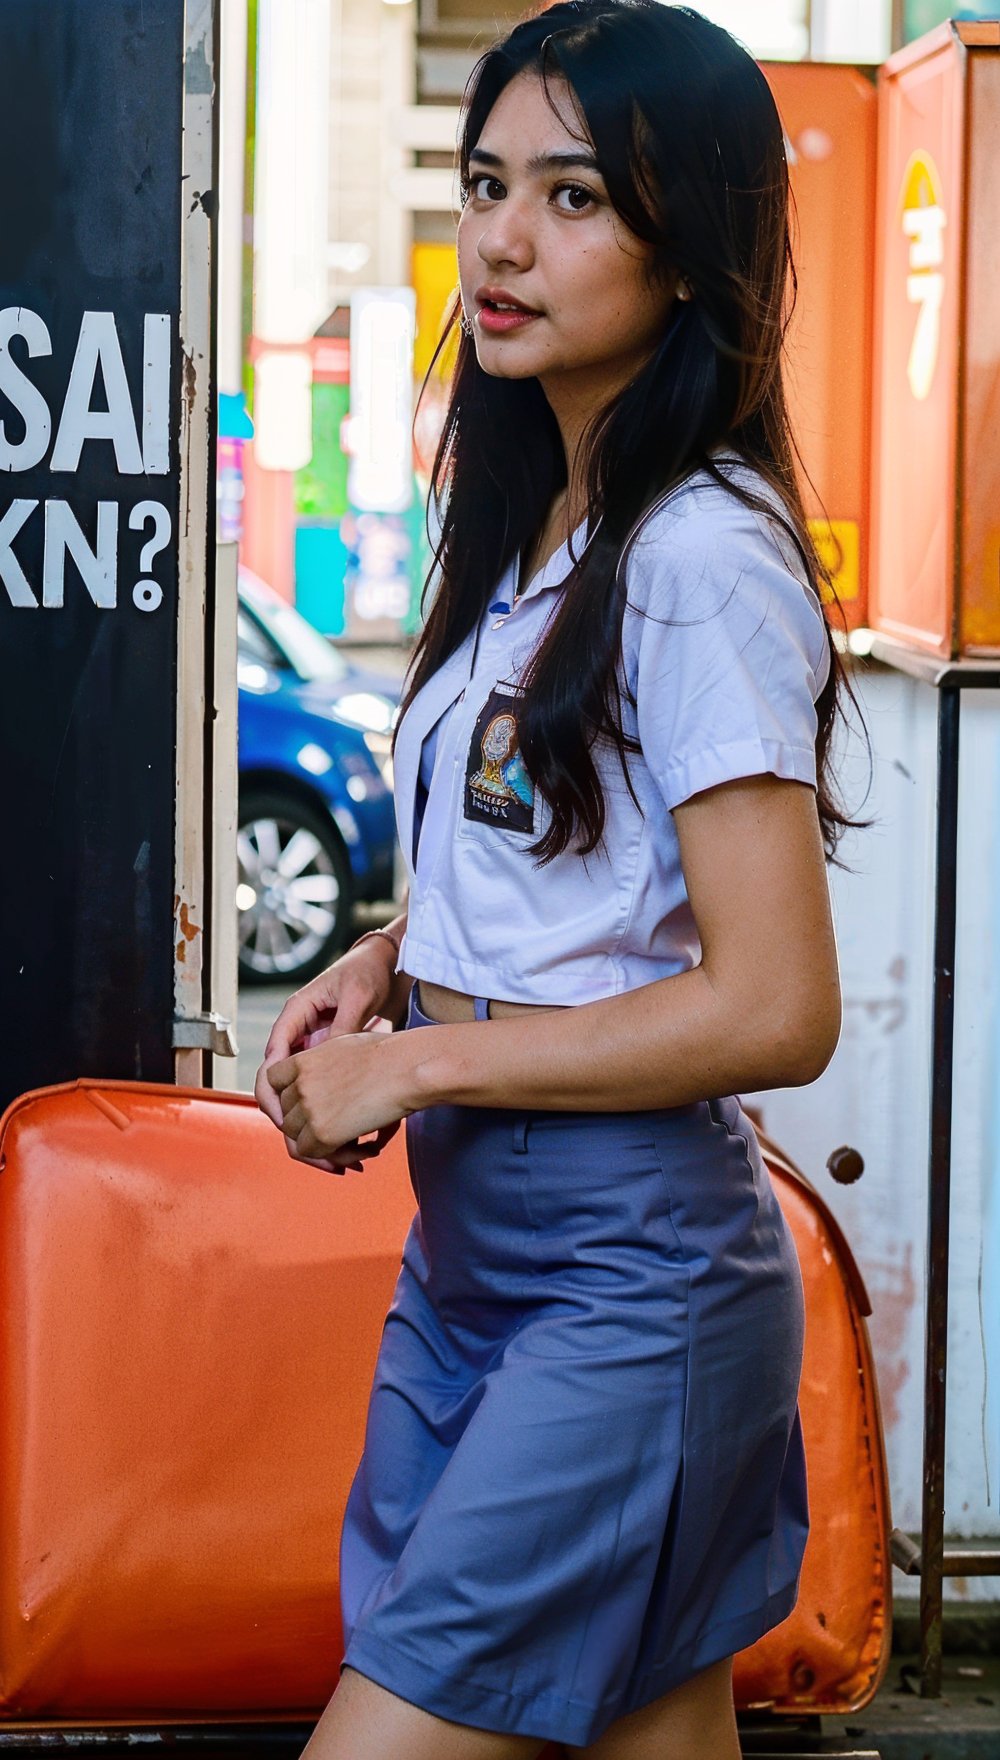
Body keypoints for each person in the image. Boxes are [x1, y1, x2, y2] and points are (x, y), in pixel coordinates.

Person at [255, 4, 867, 1755]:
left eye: (577, 193)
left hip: (624, 1276)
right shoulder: (541, 528)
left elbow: (775, 1003)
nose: (502, 239)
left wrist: (421, 1060)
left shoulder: (697, 555)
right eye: (485, 181)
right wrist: (396, 958)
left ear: (691, 252)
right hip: (477, 1265)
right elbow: (574, 863)